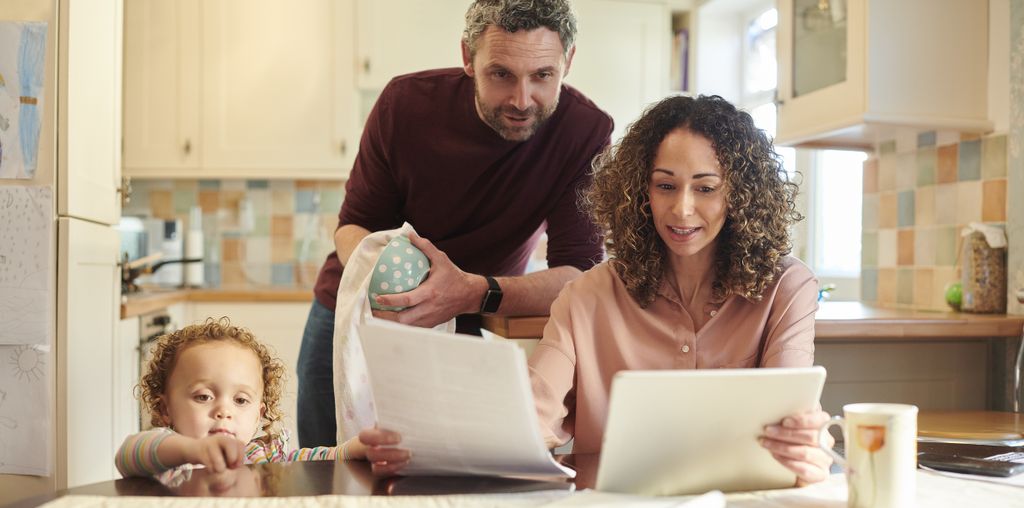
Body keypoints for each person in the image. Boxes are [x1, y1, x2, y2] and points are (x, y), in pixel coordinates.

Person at [350, 95, 834, 486]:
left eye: (705, 188)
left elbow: (793, 421)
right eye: (665, 186)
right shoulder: (587, 296)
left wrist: (812, 448)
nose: (682, 210)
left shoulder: (786, 288)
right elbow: (529, 421)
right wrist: (418, 441)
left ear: (739, 194)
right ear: (639, 192)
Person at [298, 0, 613, 447]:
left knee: (445, 475)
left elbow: (577, 274)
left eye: (543, 75)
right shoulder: (404, 105)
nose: (522, 101)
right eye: (501, 74)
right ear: (468, 57)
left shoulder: (586, 132)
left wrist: (470, 292)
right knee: (328, 474)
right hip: (355, 312)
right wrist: (398, 287)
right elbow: (353, 228)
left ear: (568, 60)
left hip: (469, 319)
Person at [115, 318, 343, 484]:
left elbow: (313, 460)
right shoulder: (172, 460)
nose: (224, 411)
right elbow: (127, 454)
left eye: (241, 400)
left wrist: (349, 451)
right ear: (166, 408)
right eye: (203, 397)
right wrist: (192, 450)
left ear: (258, 415)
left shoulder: (263, 458)